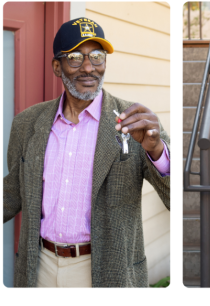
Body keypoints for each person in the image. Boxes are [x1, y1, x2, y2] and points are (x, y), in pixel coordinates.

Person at [3, 17, 170, 287]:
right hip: (40, 267)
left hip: (105, 271)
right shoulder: (26, 123)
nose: (89, 68)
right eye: (75, 58)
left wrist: (157, 151)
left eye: (97, 56)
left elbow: (175, 197)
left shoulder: (135, 121)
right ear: (57, 66)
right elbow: (13, 192)